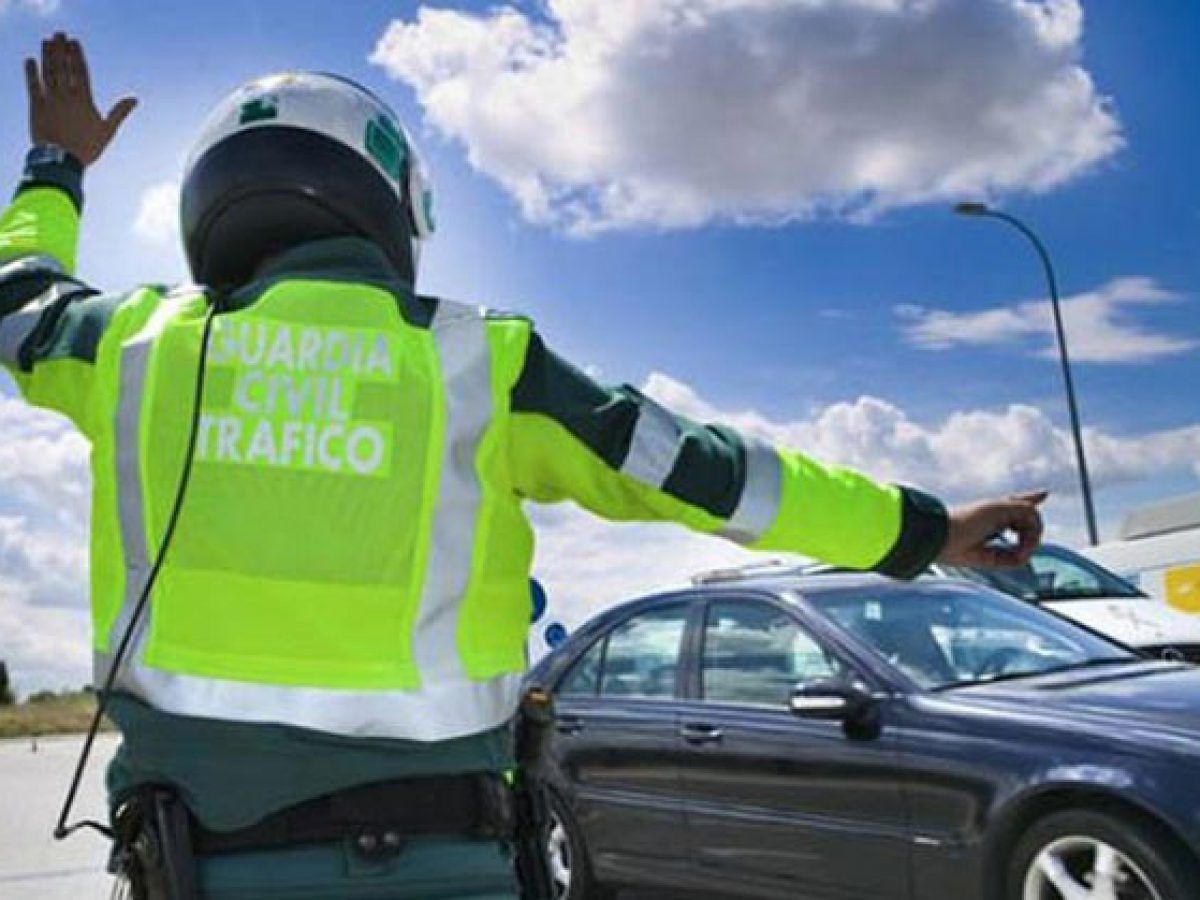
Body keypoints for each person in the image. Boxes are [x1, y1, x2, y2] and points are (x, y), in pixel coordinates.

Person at [0, 33, 1045, 900]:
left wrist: (57, 164)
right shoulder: (486, 367)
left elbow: (17, 296)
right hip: (444, 863)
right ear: (388, 202)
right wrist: (921, 530)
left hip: (200, 868)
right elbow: (715, 475)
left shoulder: (132, 349)